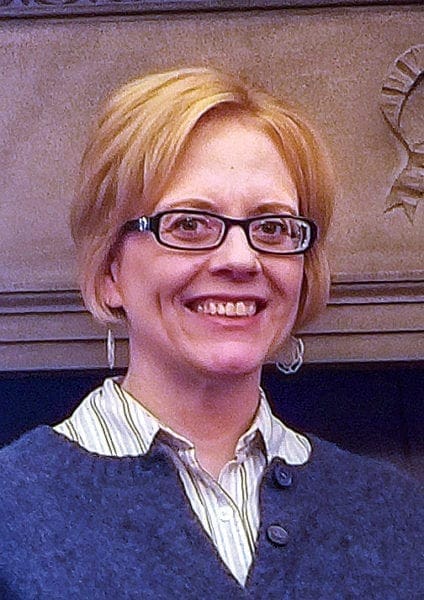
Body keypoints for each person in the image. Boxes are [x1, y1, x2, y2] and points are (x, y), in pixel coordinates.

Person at [0, 66, 421, 599]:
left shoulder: (397, 514)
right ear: (109, 270)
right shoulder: (12, 509)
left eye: (272, 227)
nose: (241, 259)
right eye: (190, 224)